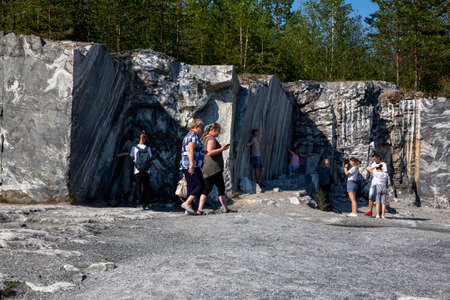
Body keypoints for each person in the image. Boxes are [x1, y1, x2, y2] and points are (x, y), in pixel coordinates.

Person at [197, 123, 235, 214]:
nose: (219, 132)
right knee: (221, 189)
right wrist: (222, 149)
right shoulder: (211, 139)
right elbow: (210, 152)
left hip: (207, 168)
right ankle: (226, 209)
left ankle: (199, 210)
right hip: (214, 169)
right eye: (218, 130)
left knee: (206, 189)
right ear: (214, 130)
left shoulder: (205, 139)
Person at [180, 119, 205, 215]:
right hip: (192, 165)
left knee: (191, 186)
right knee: (200, 185)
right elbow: (190, 150)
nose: (201, 130)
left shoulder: (187, 136)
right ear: (196, 127)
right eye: (200, 128)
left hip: (185, 165)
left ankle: (188, 209)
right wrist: (191, 165)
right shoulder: (193, 136)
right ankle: (187, 203)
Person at [130, 131, 160, 210]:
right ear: (145, 139)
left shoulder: (134, 148)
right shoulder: (148, 148)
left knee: (138, 186)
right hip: (147, 170)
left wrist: (136, 164)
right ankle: (146, 203)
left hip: (137, 170)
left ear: (139, 138)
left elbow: (132, 158)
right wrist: (156, 166)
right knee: (146, 187)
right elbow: (150, 159)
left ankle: (139, 203)